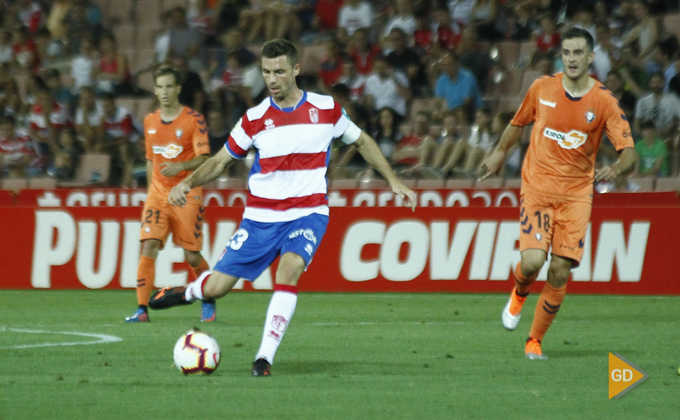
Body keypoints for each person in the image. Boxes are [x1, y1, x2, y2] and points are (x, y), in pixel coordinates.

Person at [147, 39, 416, 376]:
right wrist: (187, 183)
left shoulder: (327, 109)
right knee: (217, 287)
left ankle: (264, 358)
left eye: (279, 71)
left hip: (308, 213)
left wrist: (392, 179)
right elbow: (219, 162)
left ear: (296, 69)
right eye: (266, 72)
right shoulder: (254, 118)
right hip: (260, 218)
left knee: (288, 270)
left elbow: (361, 140)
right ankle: (188, 292)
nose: (272, 79)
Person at [479, 28, 637, 360]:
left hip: (577, 195)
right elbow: (517, 123)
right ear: (560, 56)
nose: (572, 58)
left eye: (579, 52)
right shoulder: (541, 88)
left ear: (591, 57)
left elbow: (629, 152)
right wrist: (498, 154)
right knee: (533, 261)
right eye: (567, 52)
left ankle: (534, 341)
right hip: (538, 187)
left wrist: (616, 169)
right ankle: (519, 294)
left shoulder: (603, 101)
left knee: (560, 269)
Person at [124, 66, 214, 323]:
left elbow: (205, 159)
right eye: (159, 87)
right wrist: (154, 191)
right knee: (148, 245)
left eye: (168, 87)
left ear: (177, 89)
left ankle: (207, 297)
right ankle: (142, 309)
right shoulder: (150, 121)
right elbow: (151, 159)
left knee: (191, 256)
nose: (164, 92)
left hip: (186, 191)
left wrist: (181, 167)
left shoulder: (193, 120)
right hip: (158, 194)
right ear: (155, 89)